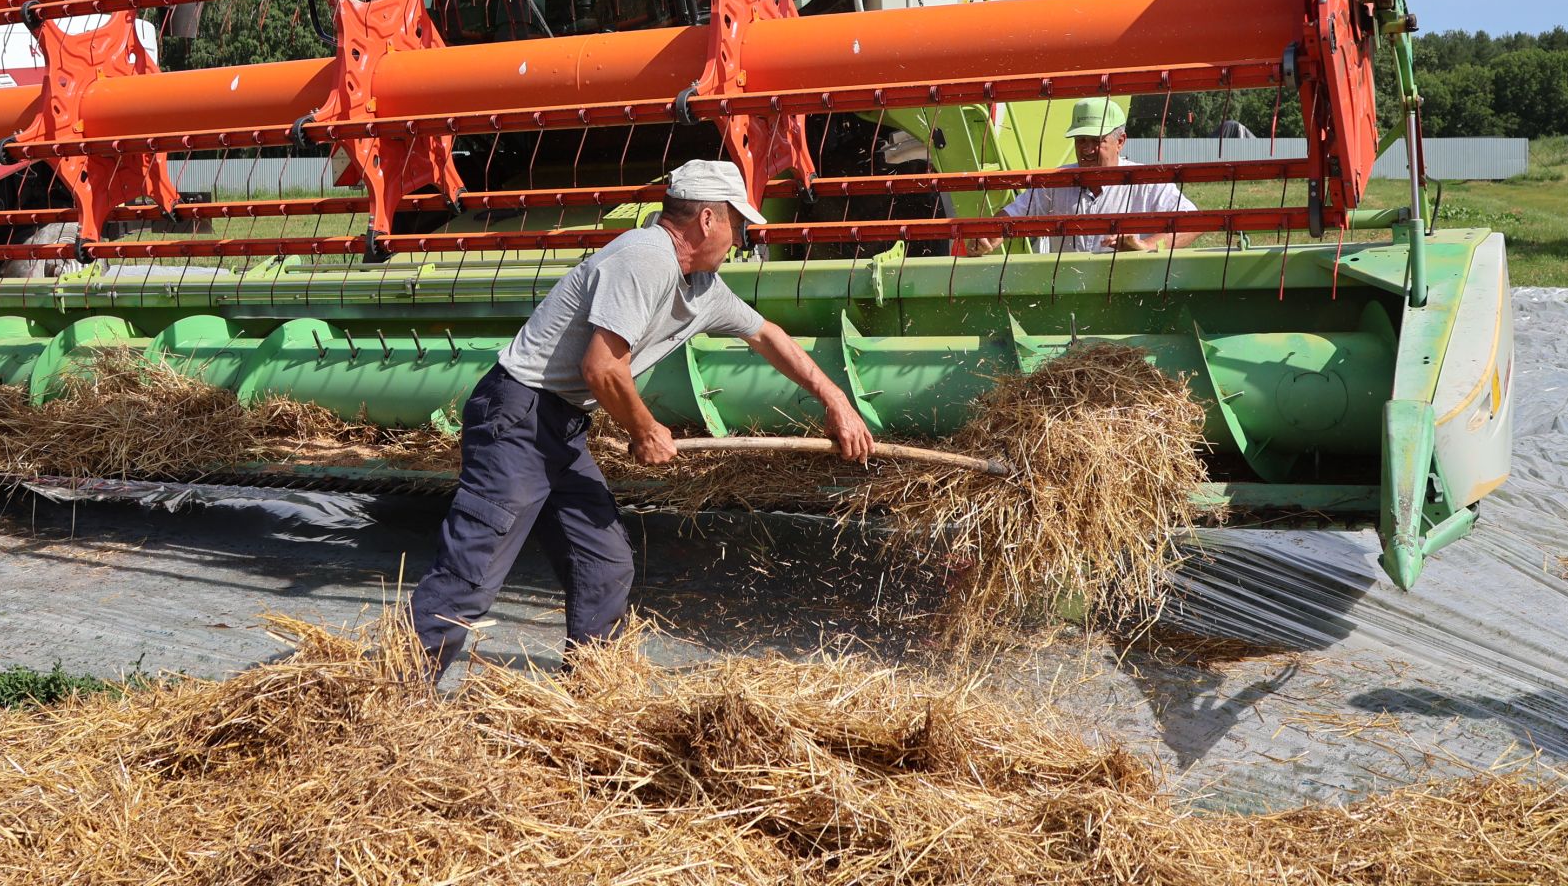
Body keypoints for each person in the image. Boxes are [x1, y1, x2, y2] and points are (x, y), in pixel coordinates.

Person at [406, 159, 875, 679]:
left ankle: (591, 690)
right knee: (473, 572)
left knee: (604, 563)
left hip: (560, 426)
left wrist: (836, 401)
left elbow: (767, 336)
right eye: (738, 225)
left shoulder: (700, 287)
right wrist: (645, 429)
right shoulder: (644, 257)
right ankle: (394, 692)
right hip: (517, 417)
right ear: (707, 220)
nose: (741, 240)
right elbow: (602, 367)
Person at [966, 99, 1202, 255]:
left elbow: (1192, 223)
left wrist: (1148, 246)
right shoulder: (1055, 183)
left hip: (1130, 291)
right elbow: (1015, 213)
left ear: (1120, 142)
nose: (1087, 150)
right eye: (1081, 141)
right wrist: (991, 233)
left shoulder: (1146, 182)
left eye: (1096, 141)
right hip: (1069, 293)